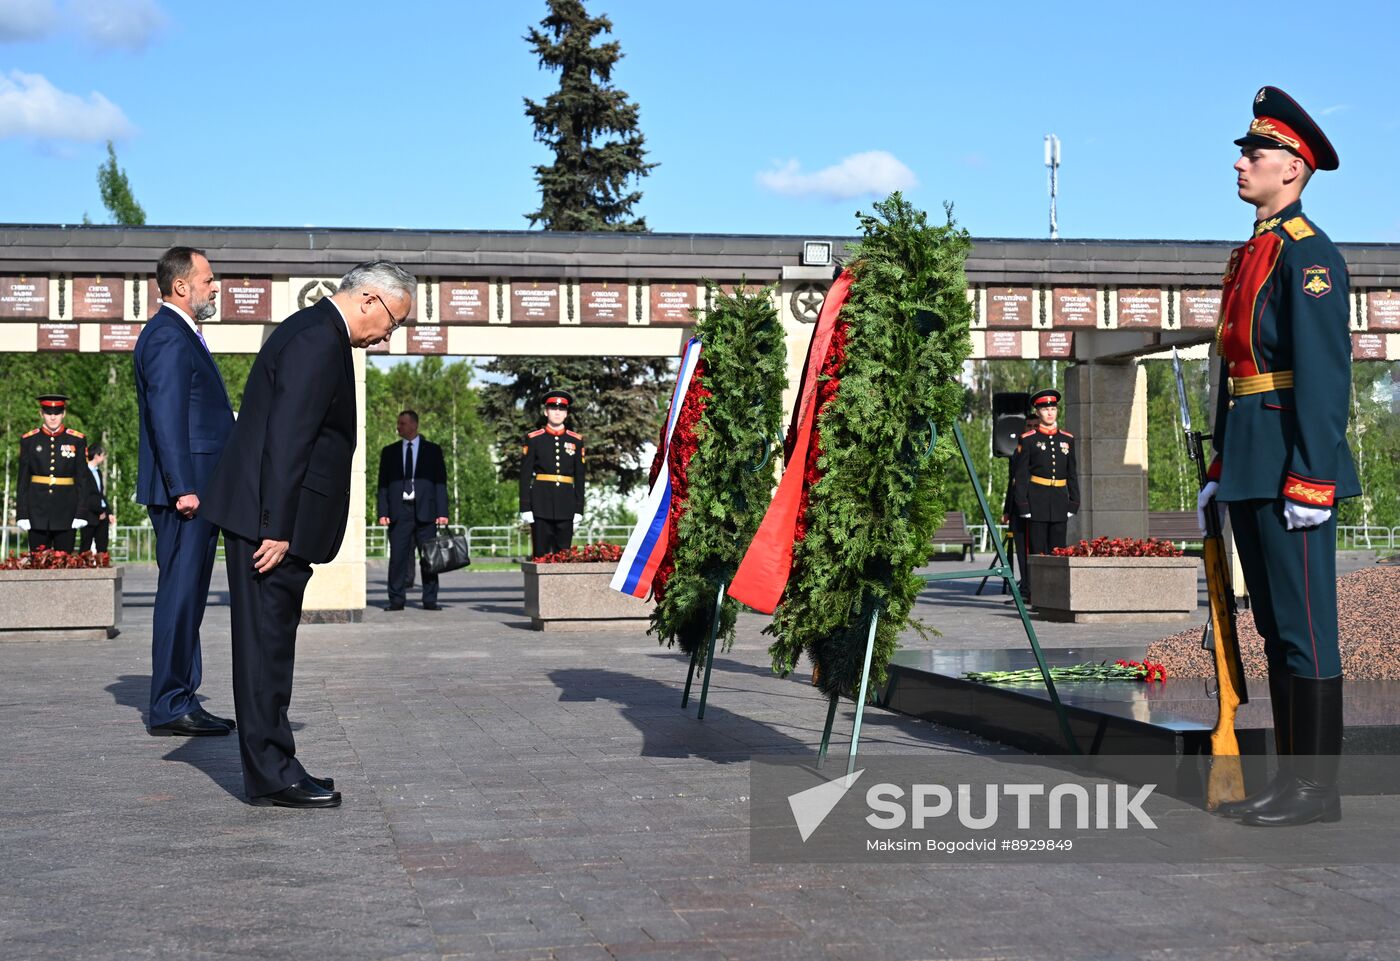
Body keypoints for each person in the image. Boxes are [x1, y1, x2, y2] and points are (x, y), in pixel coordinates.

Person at [202, 260, 414, 809]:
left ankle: (273, 766)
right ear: (369, 299)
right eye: (393, 322)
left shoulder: (316, 332)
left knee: (270, 645)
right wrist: (276, 527)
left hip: (272, 521)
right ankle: (273, 773)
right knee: (265, 648)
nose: (390, 336)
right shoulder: (320, 338)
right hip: (269, 526)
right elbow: (288, 437)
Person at [1199, 87, 1354, 827]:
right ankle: (1290, 782)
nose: (1241, 161)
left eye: (1254, 153)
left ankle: (1316, 791)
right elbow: (1233, 372)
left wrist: (1313, 474)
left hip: (1292, 462)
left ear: (1292, 168)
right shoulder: (1253, 252)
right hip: (1251, 458)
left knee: (1306, 628)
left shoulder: (1308, 255)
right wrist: (1218, 467)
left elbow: (1324, 376)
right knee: (1272, 626)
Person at [134, 246, 237, 738]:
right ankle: (172, 702)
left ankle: (181, 695)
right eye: (208, 279)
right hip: (187, 495)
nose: (215, 287)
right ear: (181, 285)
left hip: (196, 489)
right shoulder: (169, 337)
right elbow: (167, 417)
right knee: (180, 595)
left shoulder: (181, 334)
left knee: (190, 595)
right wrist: (184, 488)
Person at [376, 409, 450, 611]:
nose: (398, 427)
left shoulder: (433, 451)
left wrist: (443, 512)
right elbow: (382, 485)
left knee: (429, 558)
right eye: (398, 423)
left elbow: (440, 483)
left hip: (426, 511)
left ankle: (430, 599)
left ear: (414, 425)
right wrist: (383, 512)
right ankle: (396, 600)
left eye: (402, 423)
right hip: (400, 512)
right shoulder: (389, 452)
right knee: (398, 558)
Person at [16, 394, 98, 553]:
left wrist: (81, 512)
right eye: (48, 413)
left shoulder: (77, 440)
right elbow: (23, 480)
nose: (53, 417)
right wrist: (22, 513)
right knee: (37, 565)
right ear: (41, 413)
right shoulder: (29, 440)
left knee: (65, 565)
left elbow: (82, 479)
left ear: (64, 413)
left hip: (67, 511)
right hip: (36, 512)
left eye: (57, 413)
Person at [1013, 388, 1078, 560]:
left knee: (1059, 552)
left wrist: (1074, 502)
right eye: (1045, 409)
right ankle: (1037, 587)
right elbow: (1021, 476)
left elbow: (1072, 473)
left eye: (1053, 409)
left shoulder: (1067, 439)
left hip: (1059, 500)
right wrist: (1023, 504)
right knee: (1038, 552)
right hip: (1037, 501)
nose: (1050, 413)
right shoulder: (1028, 439)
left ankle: (1057, 587)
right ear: (1037, 411)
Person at [519, 388, 585, 558]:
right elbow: (525, 476)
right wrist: (525, 507)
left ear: (566, 414)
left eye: (561, 409)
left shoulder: (575, 441)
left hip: (566, 505)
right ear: (546, 411)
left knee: (564, 555)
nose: (557, 412)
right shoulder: (534, 439)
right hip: (540, 505)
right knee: (540, 554)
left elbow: (580, 477)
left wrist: (579, 509)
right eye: (553, 409)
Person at [1001, 411, 1039, 601]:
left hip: (1035, 508)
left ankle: (1036, 590)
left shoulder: (1042, 450)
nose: (1032, 430)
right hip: (1017, 508)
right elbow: (1012, 482)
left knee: (1034, 550)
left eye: (1035, 426)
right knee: (1021, 550)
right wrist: (1007, 510)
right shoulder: (1017, 452)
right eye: (1028, 426)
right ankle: (1025, 589)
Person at [77, 443, 111, 554]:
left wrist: (108, 512)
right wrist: (99, 511)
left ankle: (102, 568)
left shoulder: (98, 472)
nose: (104, 458)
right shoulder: (84, 472)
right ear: (97, 455)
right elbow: (86, 495)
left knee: (102, 546)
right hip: (89, 515)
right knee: (85, 546)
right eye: (103, 455)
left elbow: (100, 494)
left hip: (102, 515)